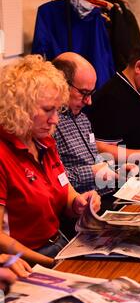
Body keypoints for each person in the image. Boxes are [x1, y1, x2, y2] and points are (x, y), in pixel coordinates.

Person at [0, 55, 101, 268]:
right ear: (19, 107)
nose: (55, 119)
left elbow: (64, 189)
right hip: (27, 259)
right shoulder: (3, 154)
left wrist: (78, 202)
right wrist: (51, 263)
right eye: (48, 110)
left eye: (58, 110)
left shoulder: (43, 141)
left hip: (59, 243)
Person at [52, 52, 138, 194]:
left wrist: (116, 170)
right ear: (61, 84)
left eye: (91, 93)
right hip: (81, 204)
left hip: (106, 193)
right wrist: (92, 172)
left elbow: (94, 161)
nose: (89, 101)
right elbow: (55, 180)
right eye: (84, 93)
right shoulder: (49, 125)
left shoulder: (82, 118)